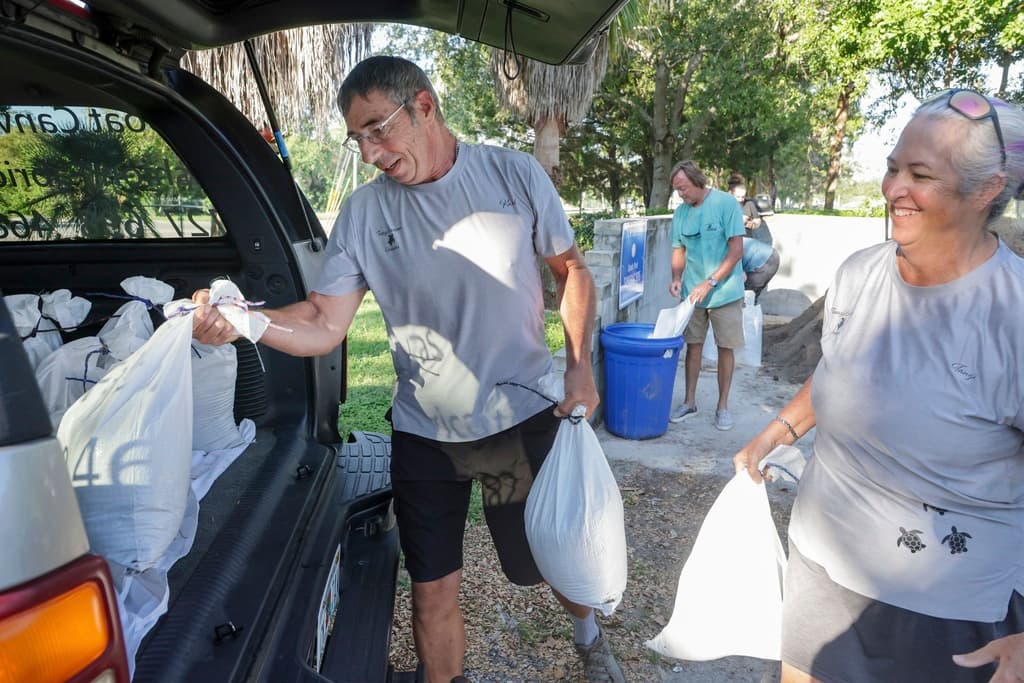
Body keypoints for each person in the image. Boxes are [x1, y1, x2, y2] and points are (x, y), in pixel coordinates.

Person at [191, 56, 625, 683]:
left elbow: (571, 270)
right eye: (357, 139)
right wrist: (245, 321)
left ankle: (587, 635)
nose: (369, 153)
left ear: (423, 106)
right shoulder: (365, 214)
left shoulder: (513, 174)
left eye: (377, 129)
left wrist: (581, 368)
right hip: (426, 433)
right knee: (431, 591)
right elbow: (322, 322)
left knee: (546, 560)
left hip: (519, 418)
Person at [734, 89, 1024, 683]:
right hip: (823, 561)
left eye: (920, 175)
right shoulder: (860, 273)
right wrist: (775, 432)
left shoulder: (1012, 315)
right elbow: (840, 373)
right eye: (893, 167)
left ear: (987, 191)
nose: (894, 188)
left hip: (951, 609)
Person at [667, 160, 745, 431]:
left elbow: (736, 251)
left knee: (726, 348)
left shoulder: (726, 204)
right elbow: (679, 250)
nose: (681, 195)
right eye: (677, 190)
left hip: (725, 292)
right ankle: (689, 402)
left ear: (698, 181)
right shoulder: (680, 215)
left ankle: (722, 407)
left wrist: (710, 282)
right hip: (692, 295)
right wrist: (676, 279)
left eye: (684, 188)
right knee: (693, 346)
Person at [727, 172, 773, 245]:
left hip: (747, 242)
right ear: (730, 193)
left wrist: (747, 223)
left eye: (743, 197)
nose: (741, 199)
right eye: (738, 197)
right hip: (729, 243)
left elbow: (757, 222)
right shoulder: (725, 206)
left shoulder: (749, 204)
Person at [741, 236, 780, 303]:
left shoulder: (724, 251)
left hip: (766, 261)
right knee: (750, 297)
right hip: (769, 255)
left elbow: (742, 277)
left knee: (747, 296)